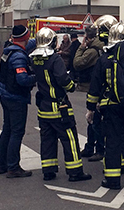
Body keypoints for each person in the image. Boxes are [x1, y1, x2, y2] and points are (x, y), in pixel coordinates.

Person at [87, 21, 124, 190]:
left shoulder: (105, 59)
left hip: (112, 106)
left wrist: (90, 108)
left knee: (113, 141)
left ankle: (113, 180)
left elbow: (95, 87)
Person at [30, 27, 91, 182]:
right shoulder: (54, 59)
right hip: (59, 106)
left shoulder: (34, 58)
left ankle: (48, 171)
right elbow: (63, 79)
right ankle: (75, 171)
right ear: (52, 41)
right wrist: (71, 86)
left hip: (43, 106)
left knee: (47, 139)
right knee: (69, 138)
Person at [0, 24, 36, 178]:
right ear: (25, 38)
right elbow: (23, 79)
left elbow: (29, 43)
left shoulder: (9, 49)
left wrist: (41, 38)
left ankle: (1, 164)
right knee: (17, 132)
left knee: (7, 129)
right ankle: (13, 167)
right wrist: (37, 77)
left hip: (4, 94)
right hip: (16, 97)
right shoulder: (19, 56)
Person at [75, 23, 107, 161]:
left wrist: (81, 48)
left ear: (87, 37)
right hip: (99, 87)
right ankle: (90, 147)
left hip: (93, 87)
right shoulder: (101, 47)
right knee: (93, 119)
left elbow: (77, 63)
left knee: (95, 119)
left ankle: (99, 149)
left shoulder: (92, 51)